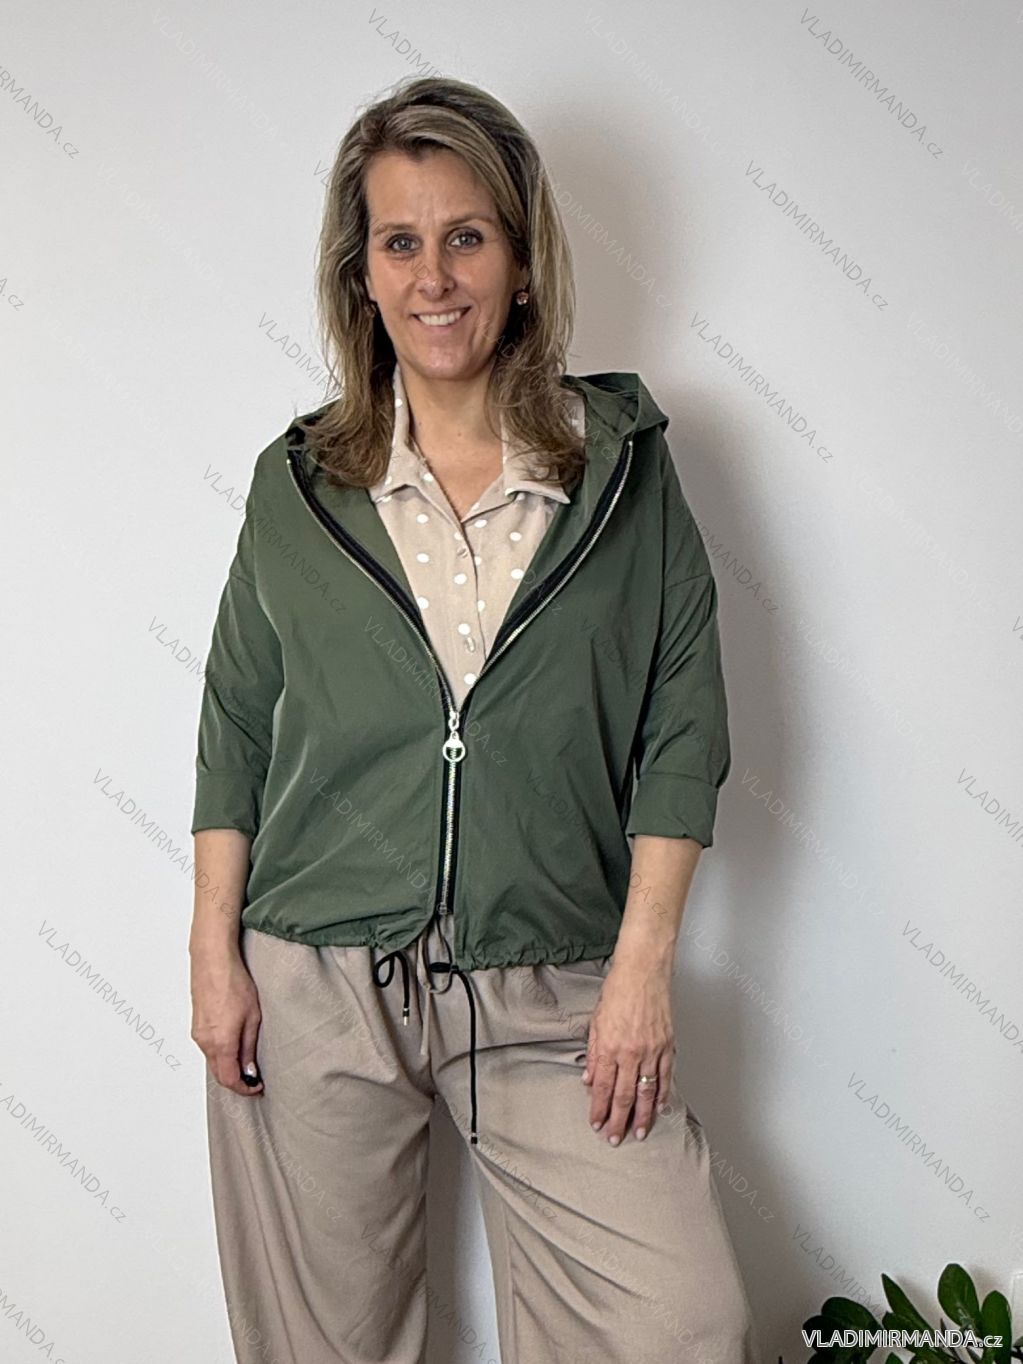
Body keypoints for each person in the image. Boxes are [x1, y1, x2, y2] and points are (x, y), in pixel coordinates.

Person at [189, 73, 760, 1364]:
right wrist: (211, 951)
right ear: (361, 274)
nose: (434, 278)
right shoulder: (300, 484)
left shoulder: (621, 469)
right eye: (400, 242)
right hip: (319, 973)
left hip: (553, 976)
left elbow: (683, 723)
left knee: (681, 1323)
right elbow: (235, 718)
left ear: (521, 259)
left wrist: (642, 968)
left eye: (467, 237)